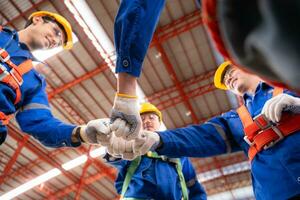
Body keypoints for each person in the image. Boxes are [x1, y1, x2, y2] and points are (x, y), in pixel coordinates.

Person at [114, 62, 300, 200]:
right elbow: (199, 136)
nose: (228, 79)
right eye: (226, 80)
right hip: (274, 193)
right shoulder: (236, 120)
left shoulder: (292, 83)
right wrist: (157, 140)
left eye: (230, 71)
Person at [0, 11, 108, 147]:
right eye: (56, 32)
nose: (55, 41)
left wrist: (82, 133)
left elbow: (41, 123)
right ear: (37, 19)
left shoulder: (34, 83)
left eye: (58, 43)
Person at [105, 102, 207, 200]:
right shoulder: (131, 147)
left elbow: (193, 186)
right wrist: (112, 146)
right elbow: (117, 158)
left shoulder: (177, 153)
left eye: (152, 118)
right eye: (142, 119)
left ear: (159, 123)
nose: (147, 121)